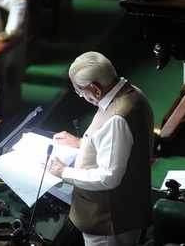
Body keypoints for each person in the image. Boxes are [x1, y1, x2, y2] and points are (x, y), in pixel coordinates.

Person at [48, 51, 154, 246]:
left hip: (109, 220)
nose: (81, 96)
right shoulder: (132, 93)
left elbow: (108, 177)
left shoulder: (116, 118)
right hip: (127, 207)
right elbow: (123, 145)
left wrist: (63, 171)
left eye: (81, 91)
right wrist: (83, 144)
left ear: (96, 89)